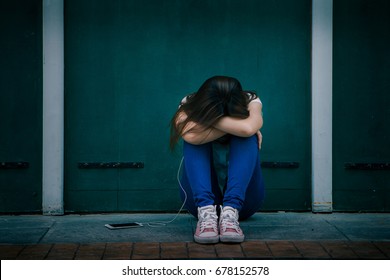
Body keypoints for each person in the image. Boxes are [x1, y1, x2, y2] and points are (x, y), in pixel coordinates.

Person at [170, 76, 265, 244]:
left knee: (247, 136)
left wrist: (207, 119)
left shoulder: (250, 100)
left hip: (244, 204)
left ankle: (230, 212)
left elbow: (248, 128)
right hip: (199, 205)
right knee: (192, 140)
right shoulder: (190, 101)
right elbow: (187, 132)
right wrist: (236, 127)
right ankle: (207, 213)